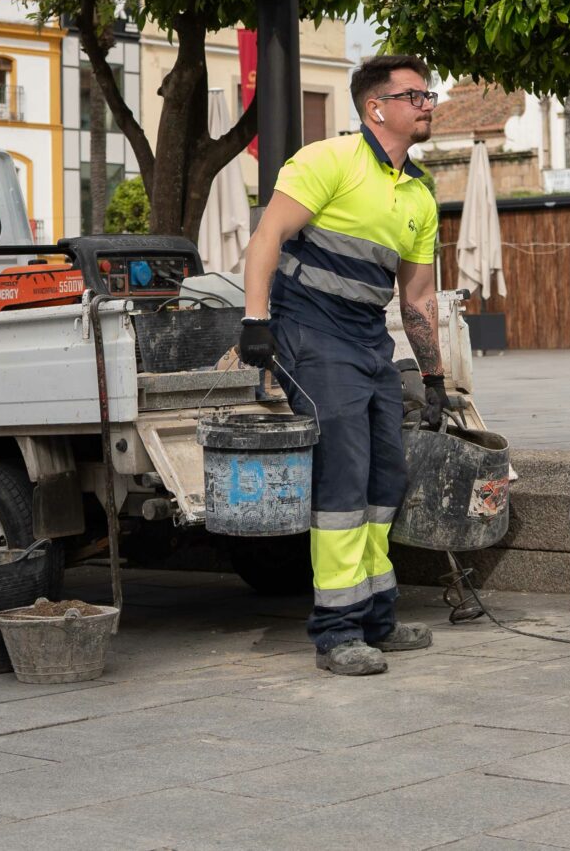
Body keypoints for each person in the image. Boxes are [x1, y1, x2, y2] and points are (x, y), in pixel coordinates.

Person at [238, 53, 447, 677]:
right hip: (310, 333)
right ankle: (336, 631)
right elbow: (267, 236)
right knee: (344, 479)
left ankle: (376, 616)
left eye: (429, 94)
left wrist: (433, 376)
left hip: (367, 342)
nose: (428, 104)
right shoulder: (328, 160)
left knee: (387, 478)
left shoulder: (419, 192)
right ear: (375, 107)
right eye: (414, 95)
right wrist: (255, 321)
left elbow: (416, 298)